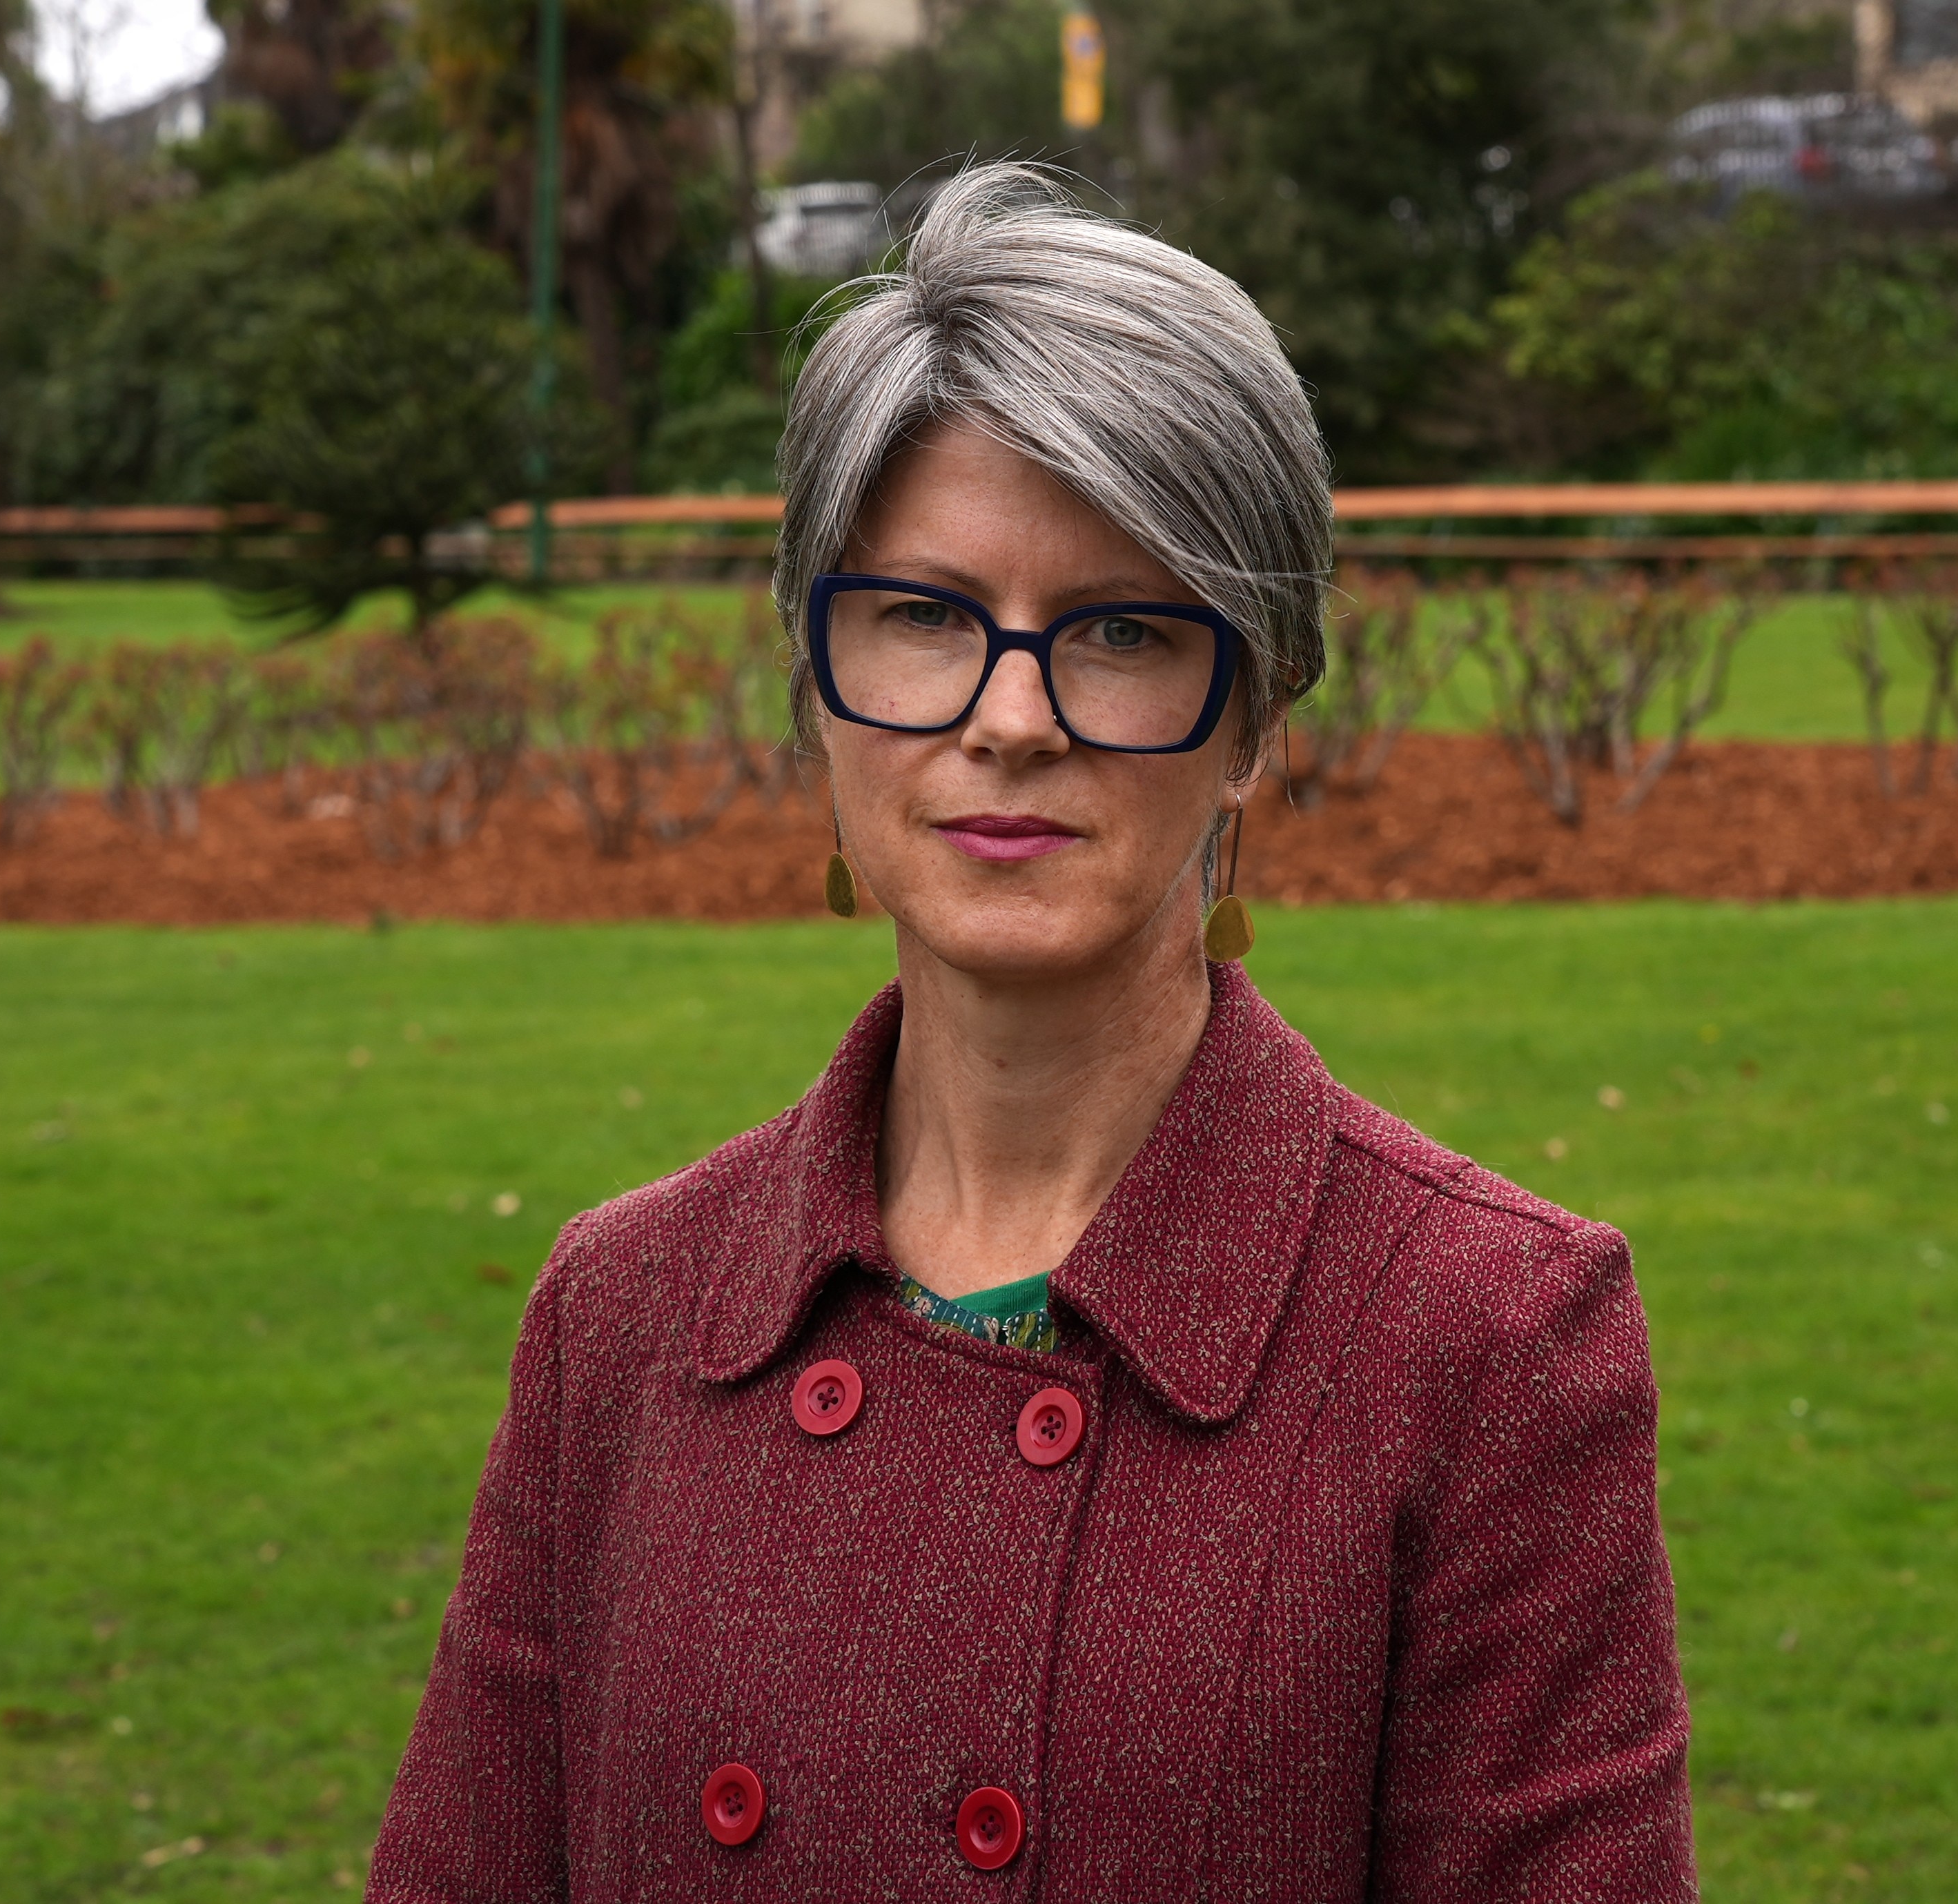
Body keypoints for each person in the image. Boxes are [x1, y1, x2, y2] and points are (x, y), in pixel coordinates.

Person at [367, 164, 1692, 1902]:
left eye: (1121, 631)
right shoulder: (618, 1318)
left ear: (1255, 713)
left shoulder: (1486, 1340)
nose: (1006, 720)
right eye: (921, 617)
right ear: (809, 685)